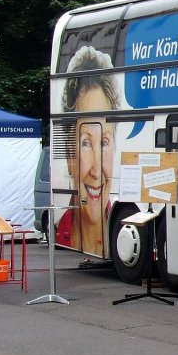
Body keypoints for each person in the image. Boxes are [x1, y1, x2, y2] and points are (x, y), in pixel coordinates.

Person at [57, 45, 120, 258]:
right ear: (68, 154)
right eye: (85, 143)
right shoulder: (58, 232)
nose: (96, 169)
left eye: (103, 142)